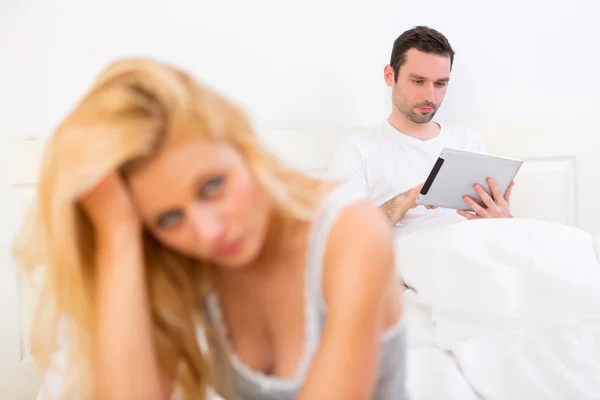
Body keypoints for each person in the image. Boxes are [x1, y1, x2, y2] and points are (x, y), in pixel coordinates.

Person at [12, 58, 409, 400]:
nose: (208, 232)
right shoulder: (182, 263)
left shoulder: (351, 232)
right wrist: (119, 236)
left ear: (239, 142)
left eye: (212, 186)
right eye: (168, 218)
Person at [327, 26, 515, 234]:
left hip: (477, 252)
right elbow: (342, 236)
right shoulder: (358, 148)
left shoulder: (469, 141)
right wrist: (406, 200)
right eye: (418, 81)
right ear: (390, 76)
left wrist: (504, 219)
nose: (430, 96)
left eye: (440, 84)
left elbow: (500, 232)